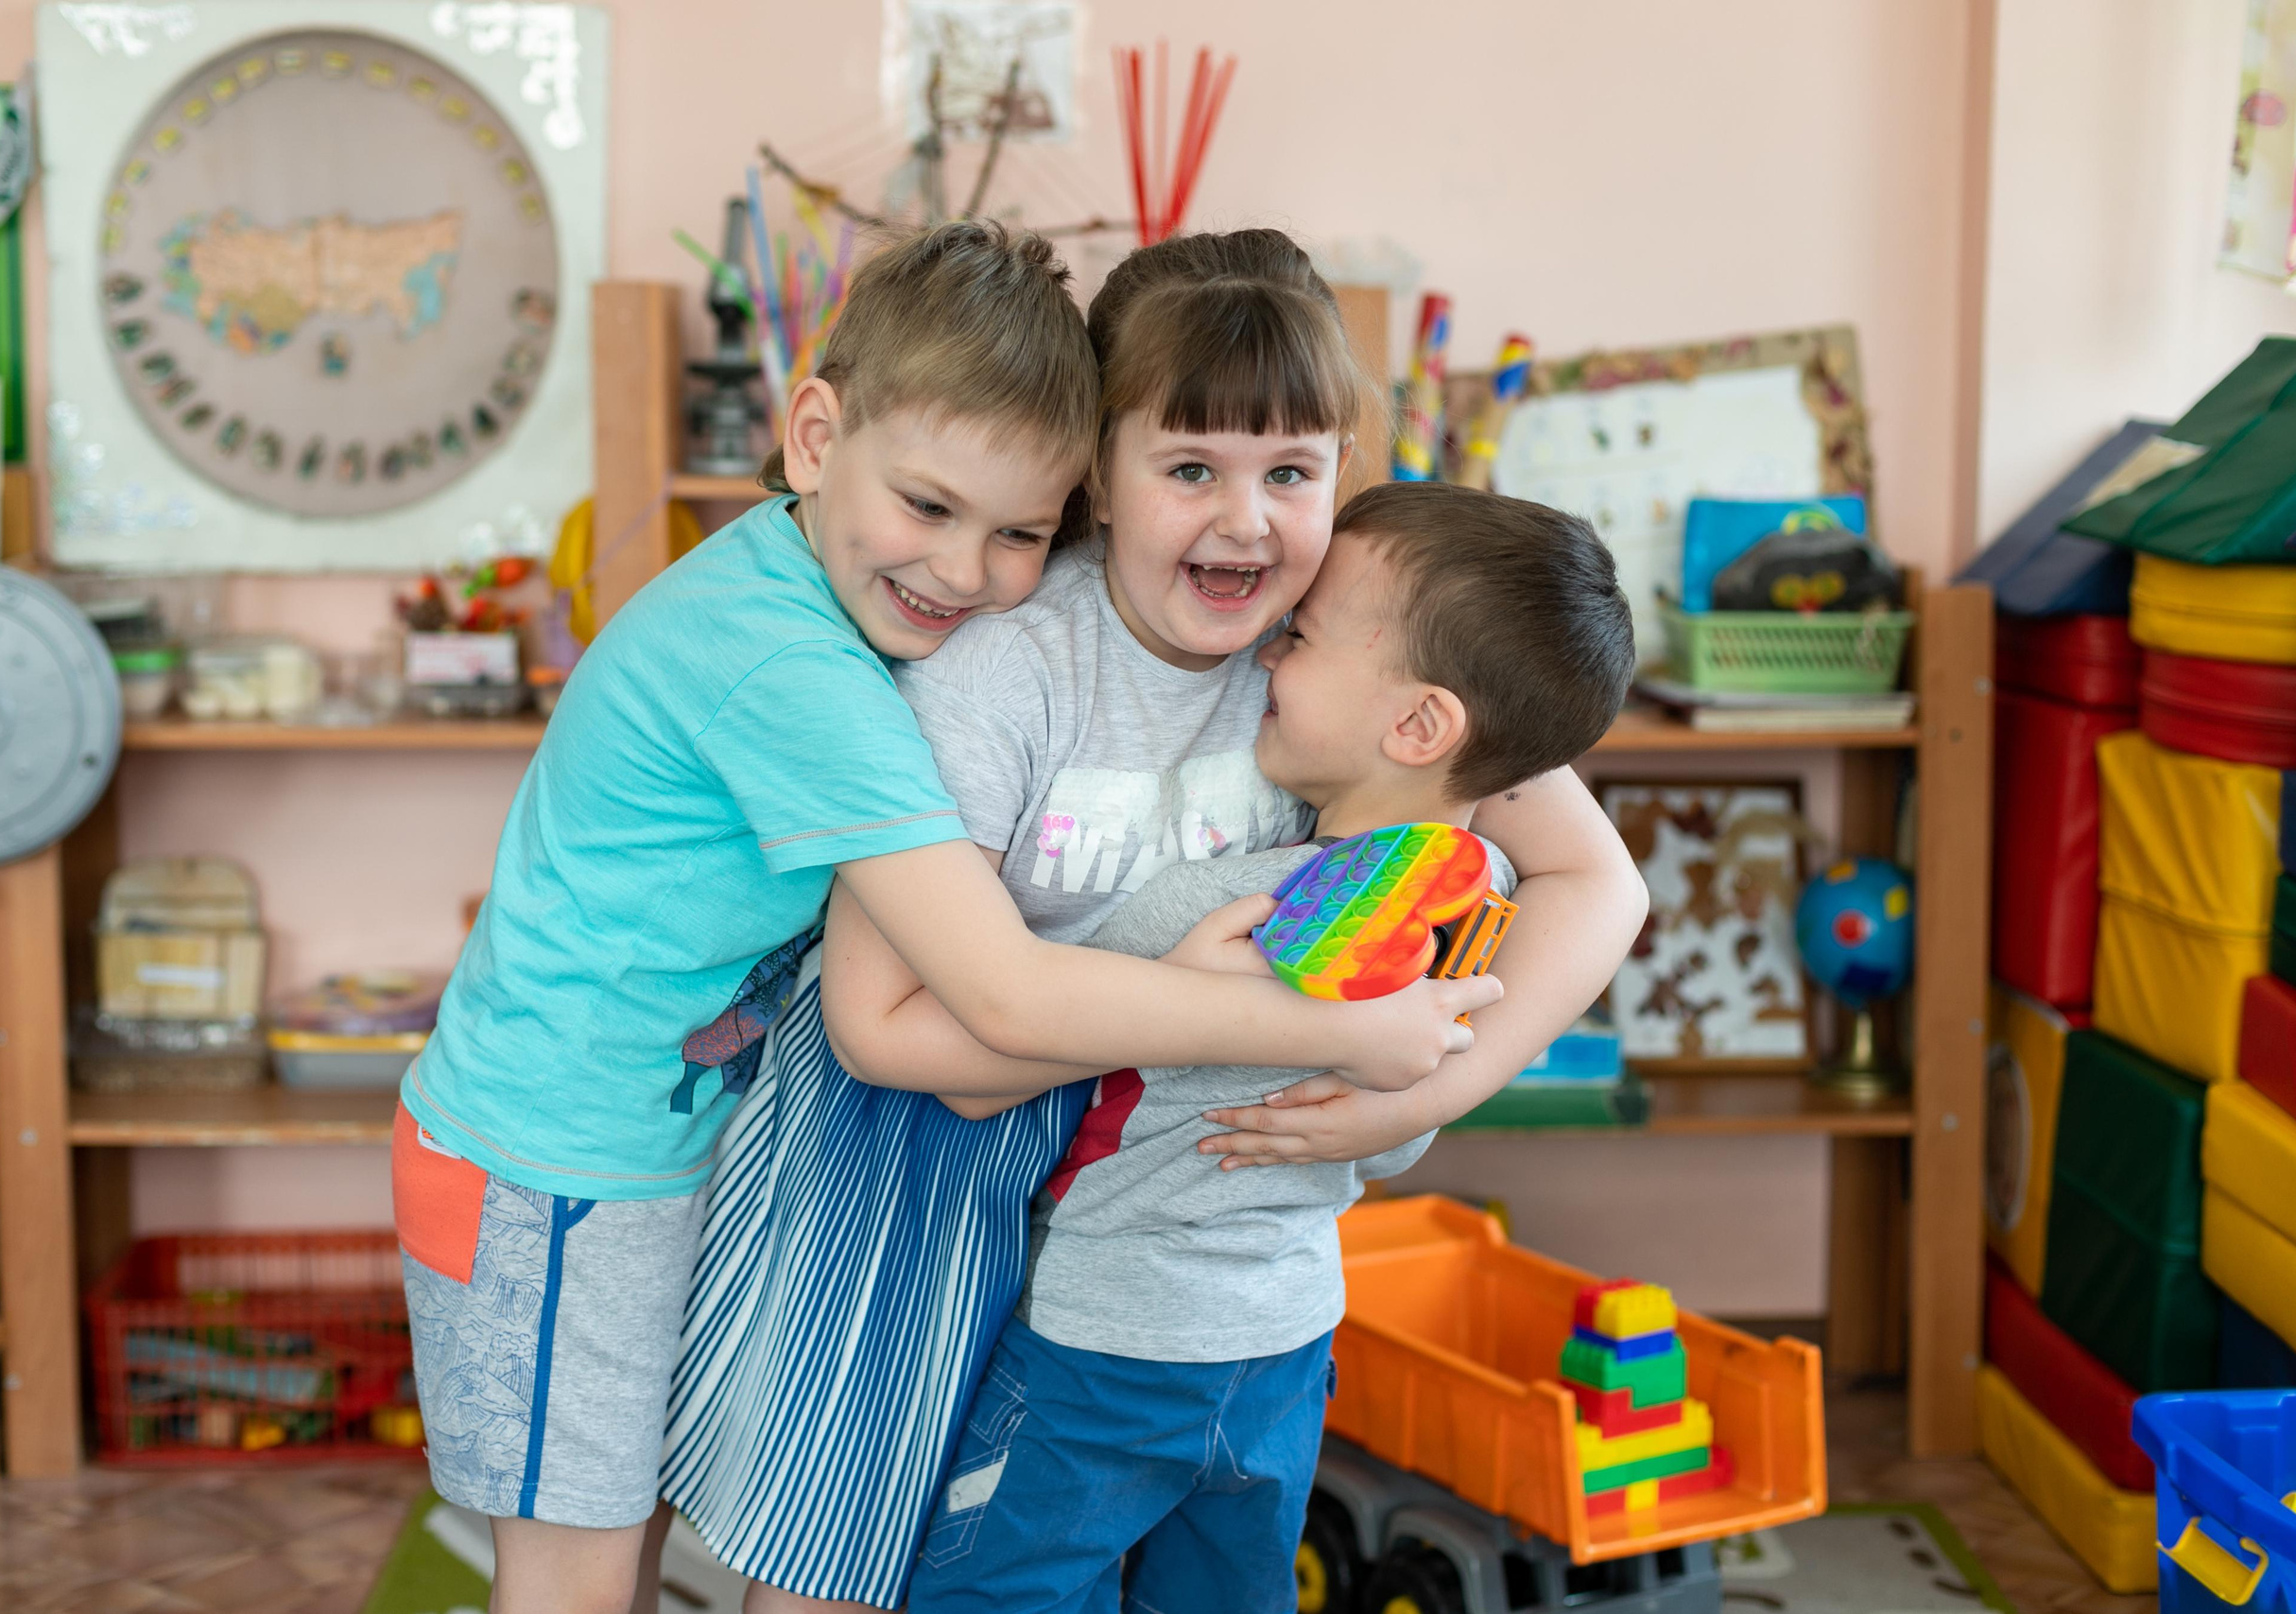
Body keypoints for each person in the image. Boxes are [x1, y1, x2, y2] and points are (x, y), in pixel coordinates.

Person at [392, 222, 1498, 1614]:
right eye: (927, 506)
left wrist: (1456, 1061)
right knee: (575, 1572)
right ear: (810, 434)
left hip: (676, 1132)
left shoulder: (853, 599)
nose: (964, 572)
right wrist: (1331, 1026)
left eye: (1017, 532)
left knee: (682, 1533)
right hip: (556, 1155)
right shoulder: (810, 672)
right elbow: (992, 1001)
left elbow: (1584, 859)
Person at [660, 231, 1638, 1613]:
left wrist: (1433, 1080)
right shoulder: (1008, 667)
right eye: (1190, 470)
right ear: (1095, 481)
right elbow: (879, 1028)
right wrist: (1249, 1022)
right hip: (924, 1155)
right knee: (850, 1563)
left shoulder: (1348, 648)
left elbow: (1602, 883)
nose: (1247, 523)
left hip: (1162, 1212)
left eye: (1292, 473)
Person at [902, 479, 1640, 1614]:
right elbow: (1391, 1150)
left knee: (999, 1594)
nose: (1262, 658)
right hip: (1285, 1352)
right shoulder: (1487, 909)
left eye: (1297, 636)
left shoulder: (1210, 911)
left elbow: (983, 1068)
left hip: (1102, 1345)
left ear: (1417, 723)